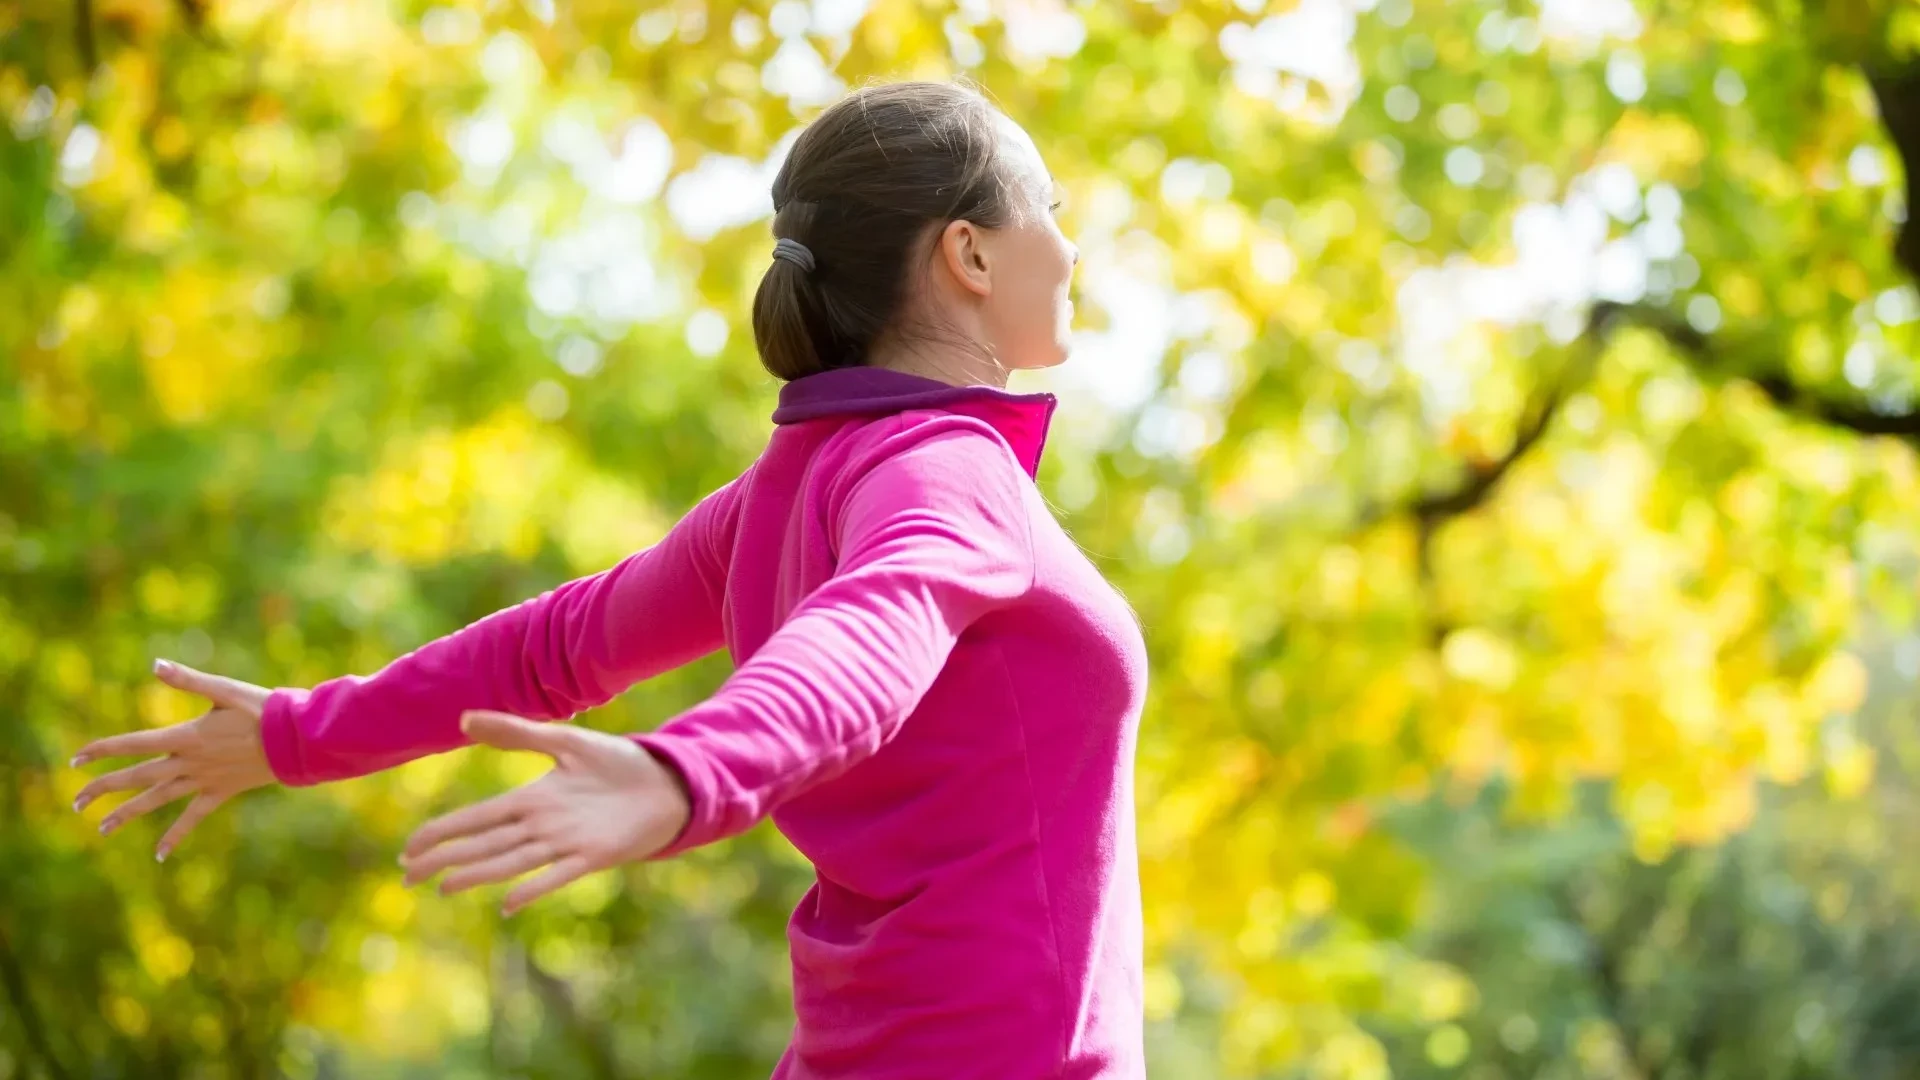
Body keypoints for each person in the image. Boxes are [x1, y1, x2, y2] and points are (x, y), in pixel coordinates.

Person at [71, 80, 1148, 1078]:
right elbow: (868, 633)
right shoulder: (948, 470)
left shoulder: (795, 487)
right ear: (970, 253)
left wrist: (300, 734)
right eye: (1046, 208)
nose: (1069, 244)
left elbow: (554, 648)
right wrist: (684, 774)